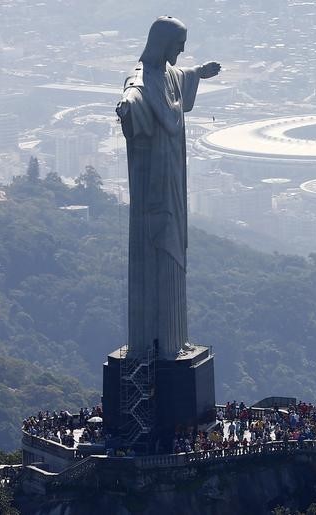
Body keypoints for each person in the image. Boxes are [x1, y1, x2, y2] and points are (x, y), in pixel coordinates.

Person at [116, 16, 221, 358]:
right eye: (179, 44)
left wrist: (200, 72)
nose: (182, 50)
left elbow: (178, 76)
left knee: (174, 249)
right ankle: (158, 344)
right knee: (158, 251)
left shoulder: (166, 74)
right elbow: (134, 92)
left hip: (173, 176)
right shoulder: (142, 79)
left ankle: (174, 341)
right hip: (155, 184)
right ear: (163, 43)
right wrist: (128, 107)